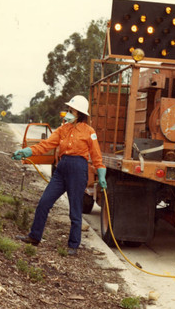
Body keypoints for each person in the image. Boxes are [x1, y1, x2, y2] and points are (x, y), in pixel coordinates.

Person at [12, 95, 107, 256]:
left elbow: (97, 157)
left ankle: (73, 245)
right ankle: (34, 237)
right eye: (69, 109)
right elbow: (46, 145)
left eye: (71, 110)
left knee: (75, 210)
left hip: (78, 170)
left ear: (79, 113)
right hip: (61, 168)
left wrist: (101, 174)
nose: (68, 112)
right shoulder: (62, 129)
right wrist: (27, 151)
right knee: (44, 202)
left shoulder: (89, 132)